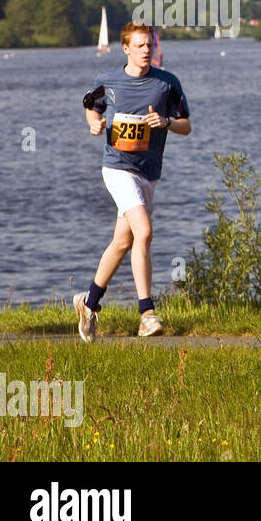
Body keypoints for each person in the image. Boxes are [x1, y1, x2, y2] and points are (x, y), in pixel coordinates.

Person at [73, 21, 192, 342]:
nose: (145, 50)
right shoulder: (108, 80)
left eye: (149, 45)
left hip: (149, 172)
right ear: (125, 48)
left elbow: (187, 125)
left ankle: (88, 303)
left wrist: (166, 121)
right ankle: (147, 313)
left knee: (123, 242)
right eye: (139, 46)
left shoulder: (167, 83)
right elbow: (90, 106)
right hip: (117, 168)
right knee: (145, 231)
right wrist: (94, 123)